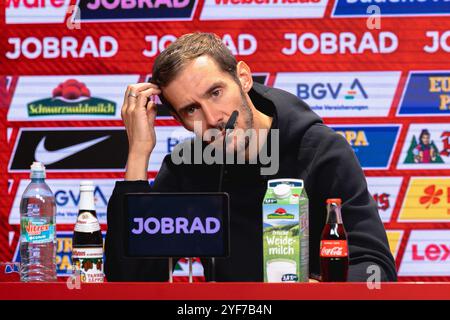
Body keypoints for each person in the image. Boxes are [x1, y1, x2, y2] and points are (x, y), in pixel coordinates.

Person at [105, 32, 397, 282]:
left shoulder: (319, 150)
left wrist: (315, 292)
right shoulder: (191, 165)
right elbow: (129, 278)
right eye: (191, 109)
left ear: (243, 78)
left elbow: (376, 268)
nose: (213, 118)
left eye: (216, 92)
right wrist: (138, 153)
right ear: (180, 120)